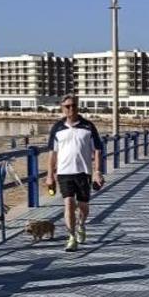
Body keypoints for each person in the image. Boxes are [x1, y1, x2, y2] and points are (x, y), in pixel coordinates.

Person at [45, 94, 104, 252]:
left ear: (78, 106)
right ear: (62, 109)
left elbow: (97, 150)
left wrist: (98, 172)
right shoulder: (57, 128)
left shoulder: (88, 126)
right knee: (69, 203)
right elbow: (52, 153)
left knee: (83, 206)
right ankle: (71, 237)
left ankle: (81, 224)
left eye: (73, 105)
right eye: (67, 106)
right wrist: (50, 175)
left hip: (84, 173)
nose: (71, 109)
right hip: (64, 173)